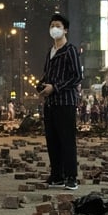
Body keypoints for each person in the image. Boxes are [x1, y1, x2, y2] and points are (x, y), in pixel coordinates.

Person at [38, 13, 83, 190]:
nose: (54, 29)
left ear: (65, 30)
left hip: (66, 102)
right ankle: (57, 176)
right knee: (52, 140)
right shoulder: (50, 52)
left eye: (57, 25)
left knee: (67, 140)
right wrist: (42, 86)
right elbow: (47, 75)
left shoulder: (70, 50)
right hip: (50, 104)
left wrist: (55, 87)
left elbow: (77, 77)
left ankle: (71, 177)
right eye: (51, 26)